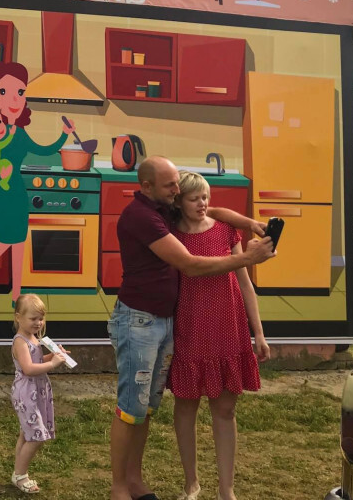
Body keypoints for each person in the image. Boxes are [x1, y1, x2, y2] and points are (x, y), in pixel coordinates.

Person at [107, 156, 275, 500]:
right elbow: (190, 265)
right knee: (134, 407)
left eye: (178, 185)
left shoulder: (168, 211)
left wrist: (249, 223)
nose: (178, 191)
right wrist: (248, 257)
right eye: (173, 187)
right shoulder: (149, 218)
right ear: (149, 187)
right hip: (152, 324)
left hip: (177, 325)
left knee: (146, 407)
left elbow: (216, 213)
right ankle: (124, 486)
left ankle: (137, 481)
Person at [170, 171, 270, 500]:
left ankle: (227, 490)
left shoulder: (225, 229)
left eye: (205, 197)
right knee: (186, 408)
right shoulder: (171, 235)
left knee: (225, 411)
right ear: (179, 202)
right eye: (194, 198)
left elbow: (245, 283)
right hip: (190, 329)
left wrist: (258, 333)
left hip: (228, 328)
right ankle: (191, 483)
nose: (202, 204)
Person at [0, 62, 75, 307]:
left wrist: (65, 135)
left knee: (19, 244)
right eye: (4, 91)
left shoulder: (19, 133)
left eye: (20, 92)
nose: (15, 99)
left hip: (19, 196)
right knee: (3, 243)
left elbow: (44, 151)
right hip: (5, 197)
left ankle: (15, 297)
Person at [10, 293, 68, 494]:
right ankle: (21, 475)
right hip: (27, 392)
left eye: (41, 318)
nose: (38, 322)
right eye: (33, 318)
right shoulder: (20, 341)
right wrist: (53, 364)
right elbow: (28, 368)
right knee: (36, 436)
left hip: (35, 391)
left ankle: (18, 472)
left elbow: (37, 360)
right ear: (18, 317)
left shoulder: (33, 338)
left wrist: (52, 356)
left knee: (27, 434)